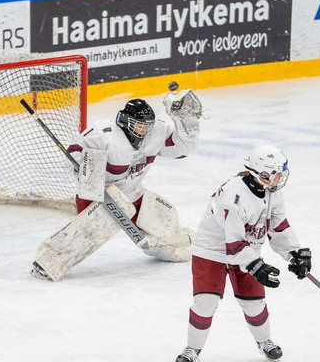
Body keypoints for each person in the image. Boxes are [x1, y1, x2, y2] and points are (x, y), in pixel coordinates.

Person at [31, 89, 203, 282]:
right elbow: (72, 156)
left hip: (133, 194)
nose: (144, 131)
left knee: (168, 229)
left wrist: (187, 123)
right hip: (96, 196)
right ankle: (48, 261)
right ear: (124, 121)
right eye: (139, 126)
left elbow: (180, 150)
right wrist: (84, 168)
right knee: (93, 229)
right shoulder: (103, 134)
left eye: (146, 126)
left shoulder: (155, 132)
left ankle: (177, 241)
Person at [174, 144, 312, 362]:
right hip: (212, 251)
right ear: (262, 174)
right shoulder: (234, 194)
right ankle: (192, 349)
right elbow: (234, 243)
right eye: (276, 173)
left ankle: (265, 342)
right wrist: (258, 267)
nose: (280, 177)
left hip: (245, 250)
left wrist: (294, 253)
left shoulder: (273, 192)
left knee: (253, 302)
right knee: (205, 302)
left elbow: (278, 226)